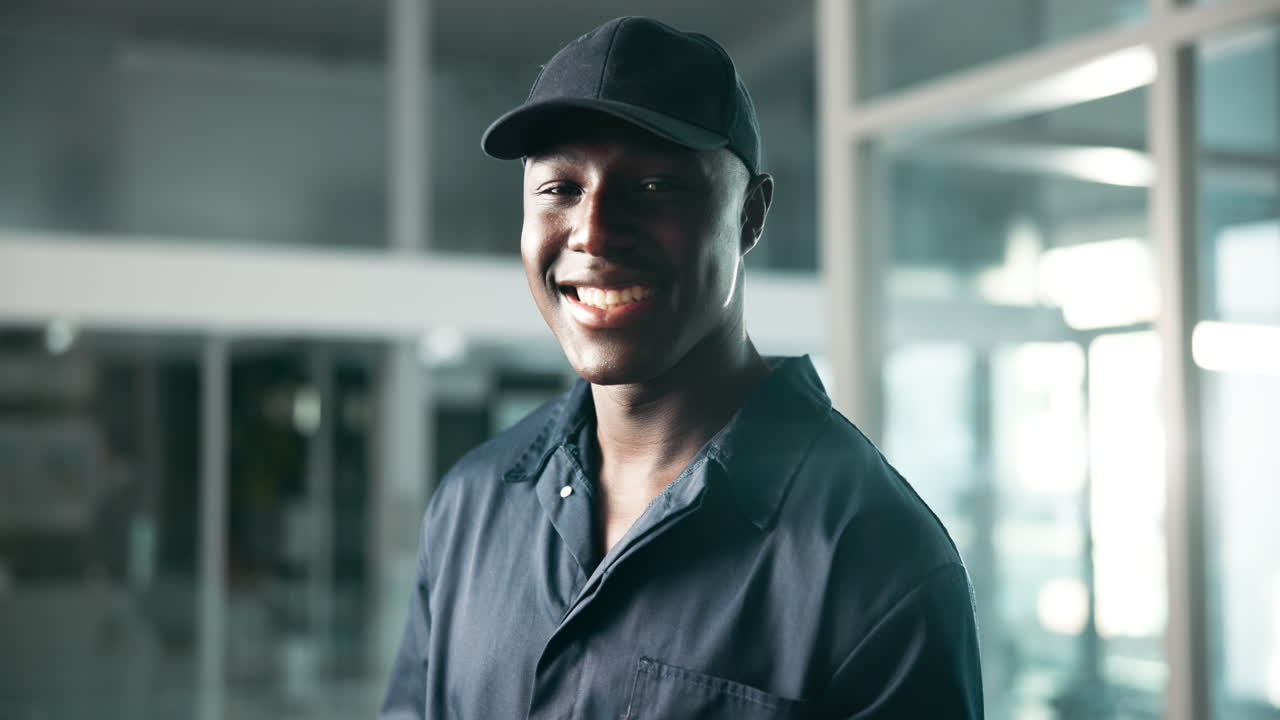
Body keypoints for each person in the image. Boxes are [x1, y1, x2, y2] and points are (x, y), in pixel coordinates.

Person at [381, 16, 982, 719]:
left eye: (658, 185)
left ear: (750, 215)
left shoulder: (879, 563)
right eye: (561, 188)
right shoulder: (473, 503)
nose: (594, 229)